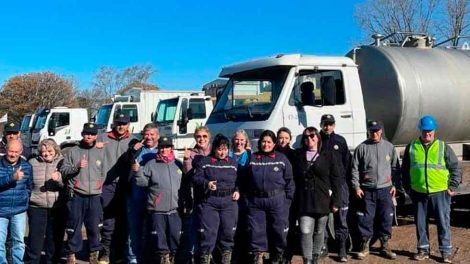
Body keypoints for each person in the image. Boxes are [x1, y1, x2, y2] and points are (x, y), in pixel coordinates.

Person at [401, 115, 461, 263]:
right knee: (421, 223)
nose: (427, 134)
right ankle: (423, 250)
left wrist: (452, 186)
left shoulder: (443, 146)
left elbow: (455, 167)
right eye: (425, 131)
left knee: (443, 222)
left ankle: (445, 252)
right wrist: (408, 188)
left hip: (440, 192)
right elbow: (405, 170)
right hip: (419, 193)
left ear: (434, 130)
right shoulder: (412, 147)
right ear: (420, 130)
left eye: (430, 131)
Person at [351, 120, 400, 260]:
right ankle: (365, 246)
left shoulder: (389, 147)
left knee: (386, 217)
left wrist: (395, 185)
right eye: (372, 131)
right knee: (366, 218)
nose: (375, 133)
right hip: (367, 191)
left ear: (381, 131)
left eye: (377, 131)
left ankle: (384, 245)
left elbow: (396, 168)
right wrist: (356, 186)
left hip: (385, 190)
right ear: (369, 131)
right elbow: (354, 169)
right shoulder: (362, 148)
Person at [244, 130, 295, 264]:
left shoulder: (281, 159)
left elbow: (290, 181)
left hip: (277, 199)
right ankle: (258, 255)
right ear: (260, 143)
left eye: (269, 142)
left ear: (274, 144)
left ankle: (278, 253)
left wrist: (287, 201)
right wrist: (247, 198)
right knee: (256, 229)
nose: (266, 144)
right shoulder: (253, 158)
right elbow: (244, 180)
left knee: (278, 229)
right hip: (256, 201)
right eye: (263, 142)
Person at [134, 136, 186, 264]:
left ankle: (172, 255)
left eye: (166, 147)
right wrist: (137, 172)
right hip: (157, 209)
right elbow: (142, 182)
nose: (164, 150)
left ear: (171, 148)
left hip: (174, 209)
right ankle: (164, 257)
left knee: (175, 235)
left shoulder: (178, 164)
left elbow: (184, 184)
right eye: (161, 147)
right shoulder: (151, 164)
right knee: (159, 237)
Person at [294, 127, 341, 264]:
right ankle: (307, 260)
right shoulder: (298, 155)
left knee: (320, 231)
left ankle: (315, 257)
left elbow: (336, 179)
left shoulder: (328, 155)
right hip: (304, 200)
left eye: (312, 135)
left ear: (318, 138)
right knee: (305, 230)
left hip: (322, 200)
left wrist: (336, 202)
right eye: (306, 137)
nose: (310, 139)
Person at [61, 123, 105, 264]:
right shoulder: (73, 151)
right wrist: (76, 167)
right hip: (77, 194)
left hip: (95, 195)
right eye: (86, 133)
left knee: (94, 226)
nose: (89, 136)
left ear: (95, 136)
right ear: (82, 133)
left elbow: (104, 171)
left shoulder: (101, 151)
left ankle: (93, 254)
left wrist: (100, 183)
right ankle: (71, 254)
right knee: (74, 225)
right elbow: (64, 171)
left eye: (92, 134)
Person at [193, 134, 240, 264]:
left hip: (229, 202)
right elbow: (196, 178)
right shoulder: (205, 162)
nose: (222, 152)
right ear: (214, 149)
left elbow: (238, 181)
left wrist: (237, 190)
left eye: (225, 149)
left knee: (228, 231)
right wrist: (207, 183)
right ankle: (206, 257)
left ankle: (226, 256)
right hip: (210, 202)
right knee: (208, 232)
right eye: (219, 149)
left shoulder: (233, 163)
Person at [98, 114, 134, 264]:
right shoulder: (102, 138)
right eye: (118, 123)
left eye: (124, 124)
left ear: (128, 125)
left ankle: (119, 253)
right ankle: (105, 252)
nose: (121, 126)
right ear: (114, 124)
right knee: (108, 220)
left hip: (126, 184)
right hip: (108, 185)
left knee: (124, 220)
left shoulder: (134, 140)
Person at [25, 139, 66, 264]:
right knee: (35, 239)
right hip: (36, 206)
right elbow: (27, 183)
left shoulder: (63, 162)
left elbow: (68, 185)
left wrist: (58, 179)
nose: (46, 154)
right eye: (43, 151)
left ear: (55, 151)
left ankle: (53, 261)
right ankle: (33, 261)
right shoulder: (32, 162)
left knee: (54, 238)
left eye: (49, 151)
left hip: (57, 207)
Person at [319, 114, 351, 262]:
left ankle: (341, 247)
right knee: (322, 216)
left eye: (330, 124)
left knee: (341, 218)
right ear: (321, 124)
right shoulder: (316, 140)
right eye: (325, 124)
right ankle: (323, 245)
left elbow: (347, 162)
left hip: (340, 184)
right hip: (323, 185)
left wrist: (343, 180)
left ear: (334, 125)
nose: (327, 127)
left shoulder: (340, 141)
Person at [126, 123, 159, 264]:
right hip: (136, 196)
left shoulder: (163, 150)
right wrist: (132, 151)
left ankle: (153, 257)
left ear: (158, 136)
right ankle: (133, 257)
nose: (149, 137)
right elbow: (125, 161)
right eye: (146, 134)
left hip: (155, 197)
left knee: (154, 229)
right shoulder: (137, 150)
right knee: (134, 229)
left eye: (152, 134)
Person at [179, 126, 212, 263]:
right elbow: (187, 176)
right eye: (199, 136)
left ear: (209, 138)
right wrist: (186, 160)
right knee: (195, 228)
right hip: (197, 196)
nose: (202, 139)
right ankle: (193, 256)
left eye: (204, 136)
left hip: (214, 198)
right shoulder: (191, 154)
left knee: (211, 229)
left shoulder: (215, 151)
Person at [0, 139, 32, 264]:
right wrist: (12, 177)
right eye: (10, 151)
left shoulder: (27, 166)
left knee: (19, 241)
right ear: (5, 150)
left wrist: (23, 199)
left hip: (19, 211)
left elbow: (29, 187)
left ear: (21, 151)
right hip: (1, 211)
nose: (13, 154)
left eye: (16, 152)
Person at [229, 129, 251, 263]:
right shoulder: (228, 154)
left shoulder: (250, 155)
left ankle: (245, 254)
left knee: (245, 225)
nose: (239, 142)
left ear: (246, 141)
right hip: (230, 194)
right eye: (237, 139)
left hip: (246, 195)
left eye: (242, 139)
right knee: (232, 226)